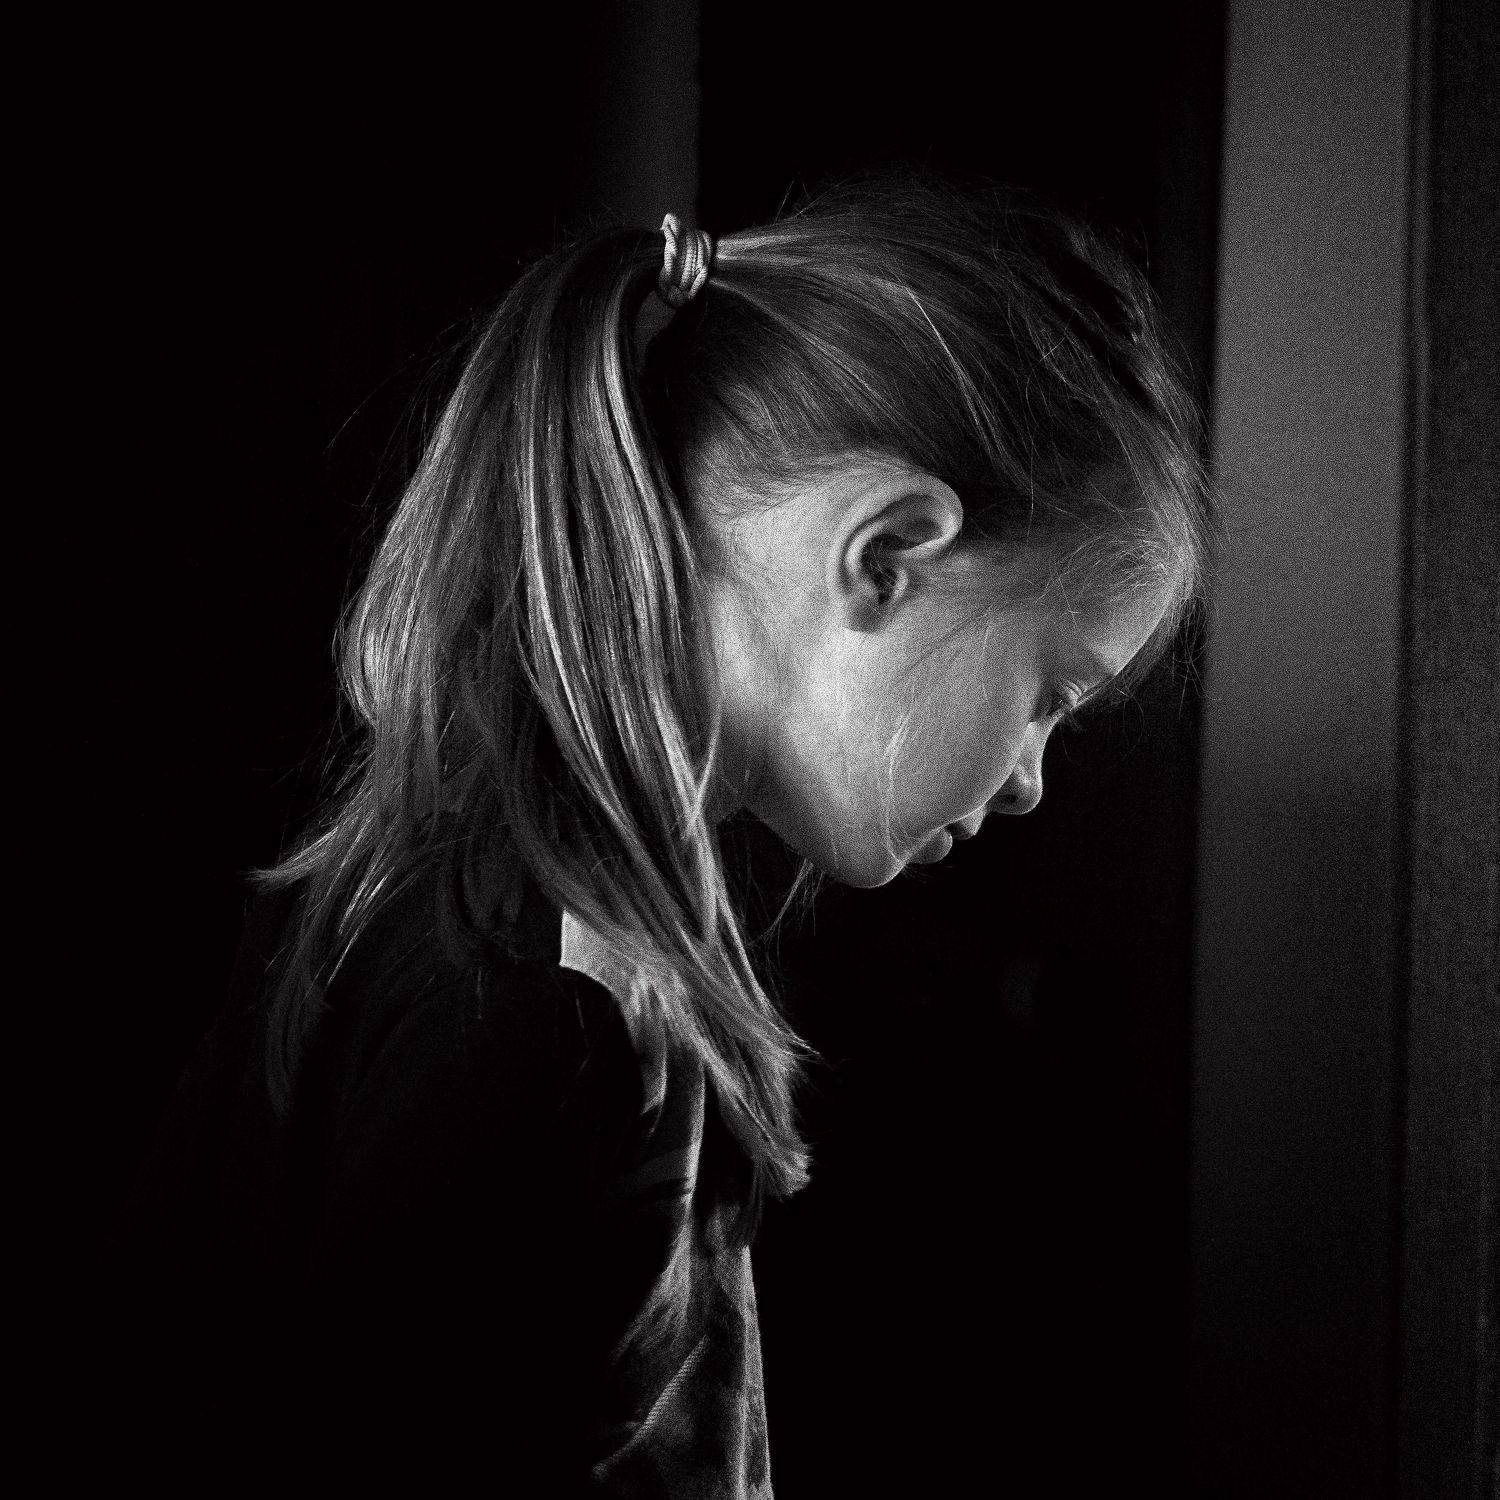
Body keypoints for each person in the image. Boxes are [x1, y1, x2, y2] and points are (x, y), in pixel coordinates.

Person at [96, 167, 1213, 1493]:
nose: (1029, 779)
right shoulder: (539, 1020)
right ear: (885, 559)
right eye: (1051, 696)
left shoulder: (494, 896)